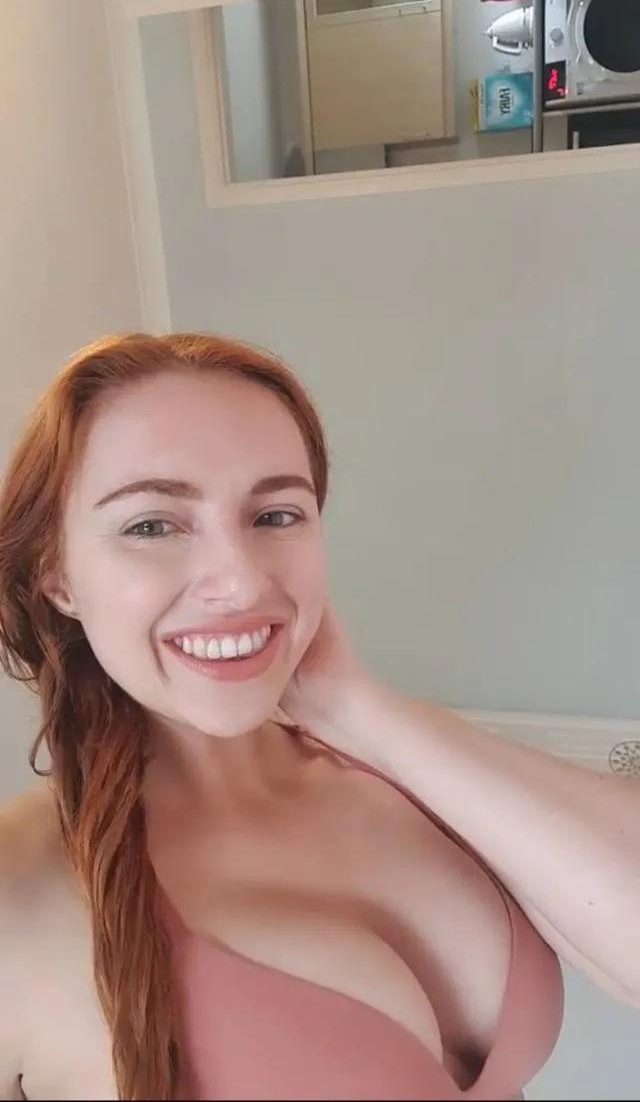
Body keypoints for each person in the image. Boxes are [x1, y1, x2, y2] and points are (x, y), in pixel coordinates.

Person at [0, 332, 637, 1102]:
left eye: (276, 515)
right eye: (152, 526)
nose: (240, 582)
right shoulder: (20, 888)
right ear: (58, 577)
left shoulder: (404, 775)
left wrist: (352, 704)